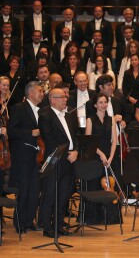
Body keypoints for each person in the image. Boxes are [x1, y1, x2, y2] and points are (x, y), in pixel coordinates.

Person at [38, 88, 78, 238]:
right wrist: (68, 151)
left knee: (64, 194)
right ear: (52, 99)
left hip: (70, 160)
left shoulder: (69, 116)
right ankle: (47, 227)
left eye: (65, 96)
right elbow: (49, 140)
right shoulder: (45, 115)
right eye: (62, 97)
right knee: (50, 194)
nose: (65, 99)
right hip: (56, 160)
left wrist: (76, 152)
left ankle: (59, 225)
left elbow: (75, 137)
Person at [7, 81, 44, 233]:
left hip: (37, 157)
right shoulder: (19, 108)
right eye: (40, 91)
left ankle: (29, 221)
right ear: (30, 93)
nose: (42, 94)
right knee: (24, 191)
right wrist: (30, 133)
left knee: (35, 191)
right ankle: (20, 223)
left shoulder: (41, 111)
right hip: (22, 157)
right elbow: (12, 132)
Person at [84, 93, 118, 224]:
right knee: (95, 186)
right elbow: (89, 141)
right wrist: (101, 154)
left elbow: (114, 141)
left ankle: (109, 218)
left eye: (105, 102)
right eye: (100, 102)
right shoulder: (90, 120)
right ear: (95, 105)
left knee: (109, 187)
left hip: (109, 157)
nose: (104, 105)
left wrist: (110, 157)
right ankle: (94, 217)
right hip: (94, 156)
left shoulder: (112, 120)